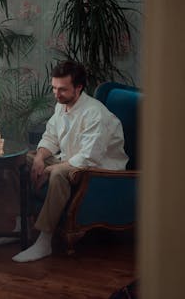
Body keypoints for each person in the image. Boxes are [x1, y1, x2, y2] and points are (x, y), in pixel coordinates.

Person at [12, 60, 129, 263]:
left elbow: (88, 158)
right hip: (70, 160)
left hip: (100, 171)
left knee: (57, 174)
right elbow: (51, 137)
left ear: (79, 87)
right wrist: (40, 158)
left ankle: (44, 241)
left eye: (63, 90)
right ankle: (21, 223)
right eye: (54, 88)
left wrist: (50, 169)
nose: (57, 95)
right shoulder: (62, 105)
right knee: (21, 160)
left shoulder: (96, 114)